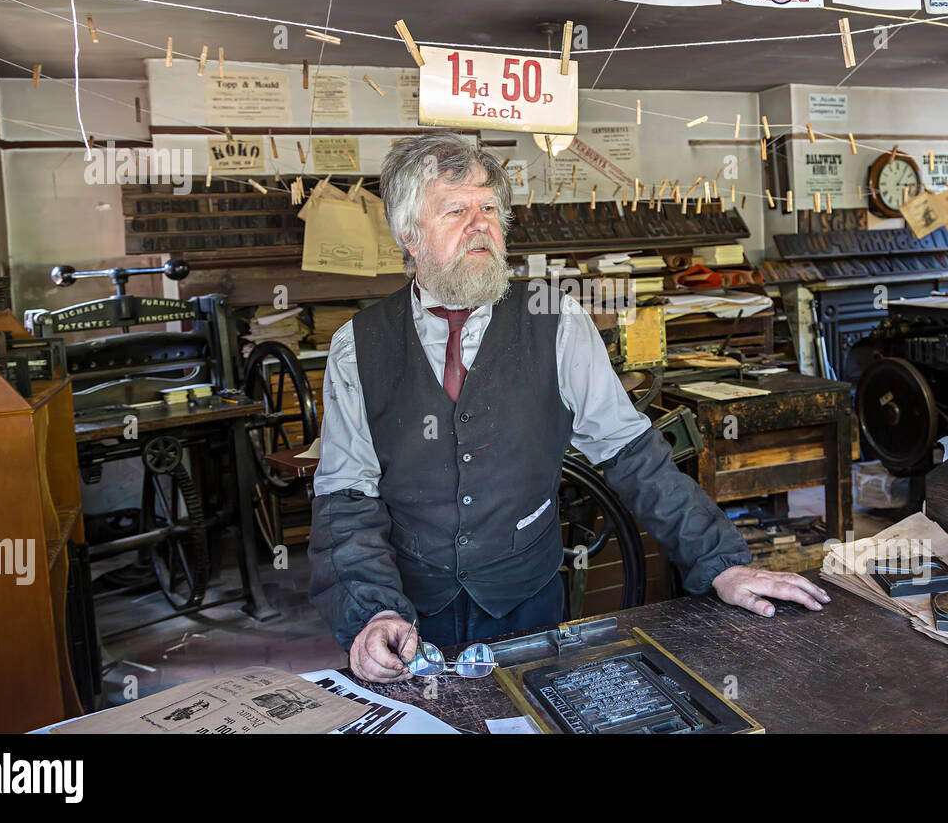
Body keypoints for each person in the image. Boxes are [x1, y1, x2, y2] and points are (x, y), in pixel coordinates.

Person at [309, 132, 830, 683]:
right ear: (408, 235)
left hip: (527, 601)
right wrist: (372, 612)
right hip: (410, 614)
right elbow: (345, 497)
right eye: (456, 210)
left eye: (489, 207)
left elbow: (633, 455)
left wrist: (721, 563)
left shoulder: (555, 321)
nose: (480, 223)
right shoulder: (357, 346)